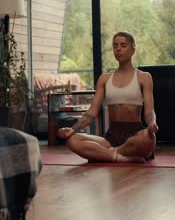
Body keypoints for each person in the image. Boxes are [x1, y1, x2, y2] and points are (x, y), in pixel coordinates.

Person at [57, 32, 159, 163]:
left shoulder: (144, 77)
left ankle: (106, 154)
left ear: (133, 49)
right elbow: (91, 113)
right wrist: (72, 129)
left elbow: (149, 111)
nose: (118, 49)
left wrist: (152, 124)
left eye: (123, 45)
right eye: (115, 45)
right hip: (111, 137)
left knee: (148, 138)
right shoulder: (104, 78)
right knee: (72, 140)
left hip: (135, 134)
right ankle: (119, 156)